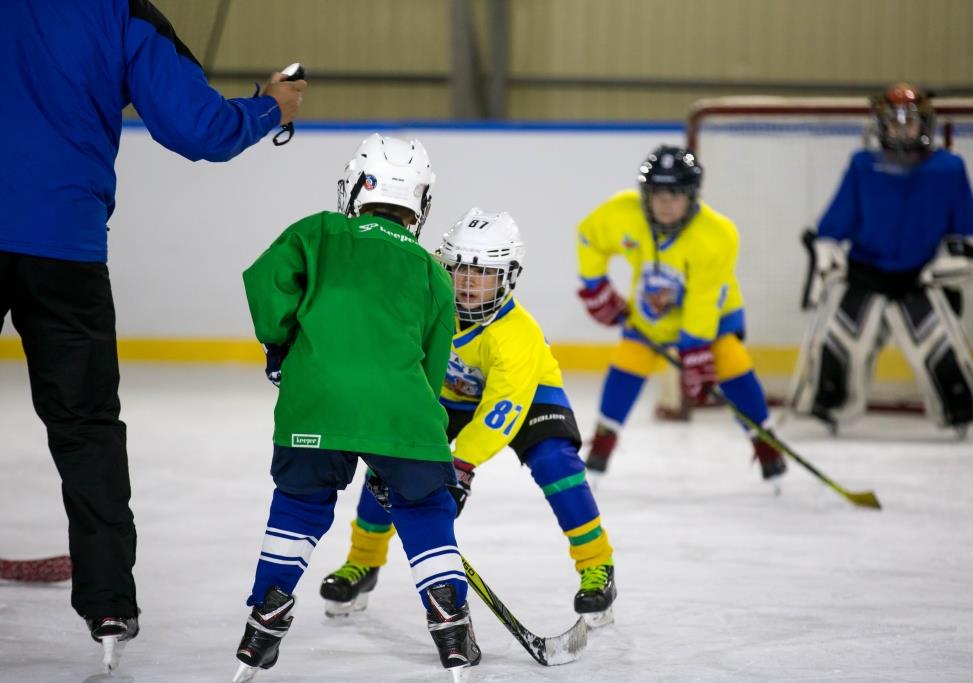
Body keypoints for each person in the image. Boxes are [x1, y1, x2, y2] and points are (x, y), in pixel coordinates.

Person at [0, 0, 305, 668]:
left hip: (62, 239)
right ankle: (108, 602)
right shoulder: (121, 14)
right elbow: (200, 128)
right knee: (86, 428)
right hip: (65, 246)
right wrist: (270, 106)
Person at [234, 135, 480, 682]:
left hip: (314, 407)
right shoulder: (432, 272)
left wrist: (279, 345)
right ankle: (449, 619)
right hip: (402, 416)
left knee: (299, 504)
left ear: (355, 187)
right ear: (420, 202)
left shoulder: (317, 232)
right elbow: (431, 371)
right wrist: (407, 448)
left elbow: (265, 285)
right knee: (424, 508)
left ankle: (267, 611)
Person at [319, 209, 618, 628]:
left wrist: (461, 466)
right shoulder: (425, 296)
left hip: (528, 396)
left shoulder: (518, 335)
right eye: (460, 268)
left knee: (556, 463)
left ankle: (597, 565)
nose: (468, 282)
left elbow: (501, 410)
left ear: (507, 276)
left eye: (484, 272)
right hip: (448, 398)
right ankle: (362, 561)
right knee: (389, 462)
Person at [576, 146, 787, 485]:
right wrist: (595, 285)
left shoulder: (716, 235)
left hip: (713, 319)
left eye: (675, 194)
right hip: (652, 318)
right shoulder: (623, 214)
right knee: (627, 362)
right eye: (658, 193)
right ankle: (603, 442)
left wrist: (695, 350)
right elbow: (589, 236)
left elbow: (704, 301)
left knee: (731, 360)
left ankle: (765, 443)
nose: (665, 203)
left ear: (691, 196)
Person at [790, 83, 973, 435]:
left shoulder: (948, 169)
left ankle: (958, 409)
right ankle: (829, 405)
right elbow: (836, 222)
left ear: (924, 124)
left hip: (918, 277)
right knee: (838, 345)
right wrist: (825, 251)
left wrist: (960, 262)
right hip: (865, 273)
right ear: (880, 125)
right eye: (893, 122)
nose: (901, 130)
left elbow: (968, 230)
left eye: (909, 122)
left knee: (939, 347)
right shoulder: (863, 165)